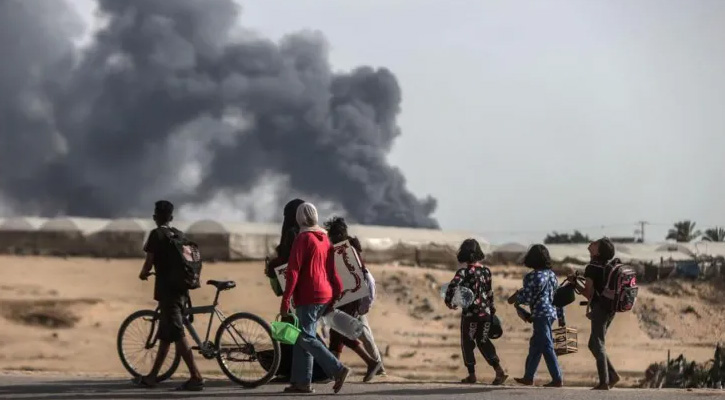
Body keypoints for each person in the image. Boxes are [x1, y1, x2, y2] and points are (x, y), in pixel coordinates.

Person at [280, 202, 351, 394]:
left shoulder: (302, 238)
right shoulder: (324, 239)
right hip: (324, 294)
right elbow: (332, 271)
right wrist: (336, 293)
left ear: (299, 218)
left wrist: (285, 300)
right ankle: (301, 382)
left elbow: (293, 271)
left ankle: (338, 369)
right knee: (303, 338)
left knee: (305, 337)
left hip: (309, 295)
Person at [134, 200, 204, 391]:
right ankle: (152, 377)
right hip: (182, 290)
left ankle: (196, 376)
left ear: (155, 217)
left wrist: (143, 273)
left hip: (168, 291)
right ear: (171, 218)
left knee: (177, 333)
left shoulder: (156, 235)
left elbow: (149, 261)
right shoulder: (179, 234)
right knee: (166, 335)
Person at [266, 199, 330, 383]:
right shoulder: (320, 235)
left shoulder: (298, 235)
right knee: (303, 332)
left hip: (303, 290)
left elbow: (291, 268)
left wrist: (274, 267)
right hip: (320, 290)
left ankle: (329, 369)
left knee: (303, 334)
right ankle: (302, 378)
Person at [324, 217, 385, 382]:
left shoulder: (348, 250)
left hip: (351, 299)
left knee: (343, 332)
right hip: (344, 299)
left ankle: (371, 363)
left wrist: (365, 302)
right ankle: (334, 371)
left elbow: (362, 277)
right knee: (338, 333)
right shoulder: (344, 249)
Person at [445, 239, 508, 385]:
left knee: (467, 343)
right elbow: (489, 292)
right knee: (483, 341)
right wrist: (491, 308)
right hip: (485, 314)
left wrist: (449, 301)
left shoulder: (464, 272)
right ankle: (499, 371)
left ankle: (472, 375)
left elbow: (453, 285)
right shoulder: (486, 271)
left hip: (470, 315)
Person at [509, 244, 564, 388]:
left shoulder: (531, 276)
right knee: (536, 345)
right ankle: (528, 377)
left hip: (540, 314)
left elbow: (527, 297)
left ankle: (557, 378)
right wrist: (561, 317)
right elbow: (557, 297)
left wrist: (516, 298)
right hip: (551, 313)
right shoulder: (552, 275)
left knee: (546, 345)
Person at [570, 237, 620, 390]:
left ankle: (604, 381)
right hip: (610, 308)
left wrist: (574, 283)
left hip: (600, 309)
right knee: (593, 344)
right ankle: (612, 375)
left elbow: (588, 293)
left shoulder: (592, 267)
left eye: (595, 244)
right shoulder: (607, 266)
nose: (591, 243)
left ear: (598, 252)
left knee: (597, 343)